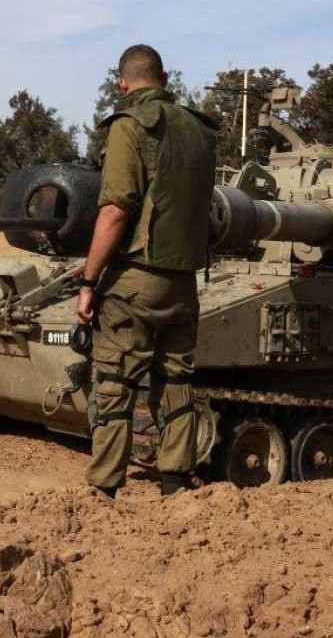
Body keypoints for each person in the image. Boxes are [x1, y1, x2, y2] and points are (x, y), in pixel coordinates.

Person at [75, 44, 217, 497]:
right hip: (184, 282)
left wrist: (88, 280)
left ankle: (104, 490)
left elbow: (116, 209)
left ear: (122, 83)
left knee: (115, 385)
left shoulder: (129, 126)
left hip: (135, 280)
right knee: (176, 382)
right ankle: (175, 484)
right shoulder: (200, 129)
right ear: (166, 78)